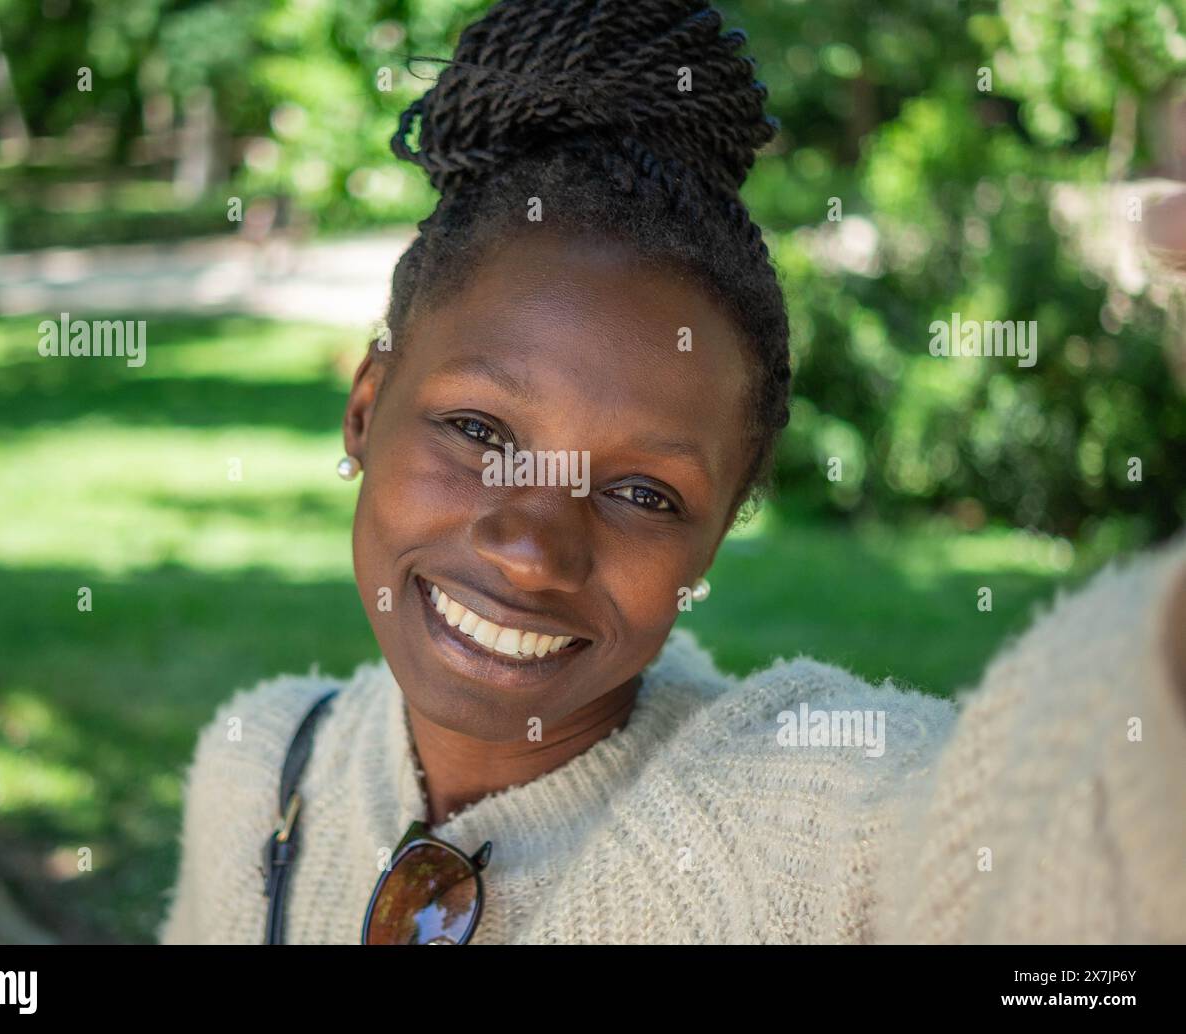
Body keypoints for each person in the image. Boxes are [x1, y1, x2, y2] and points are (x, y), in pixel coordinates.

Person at [157, 0, 1186, 944]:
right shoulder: (260, 770)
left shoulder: (814, 814)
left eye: (644, 493)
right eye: (477, 428)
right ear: (365, 408)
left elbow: (1056, 825)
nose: (531, 545)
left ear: (721, 529)